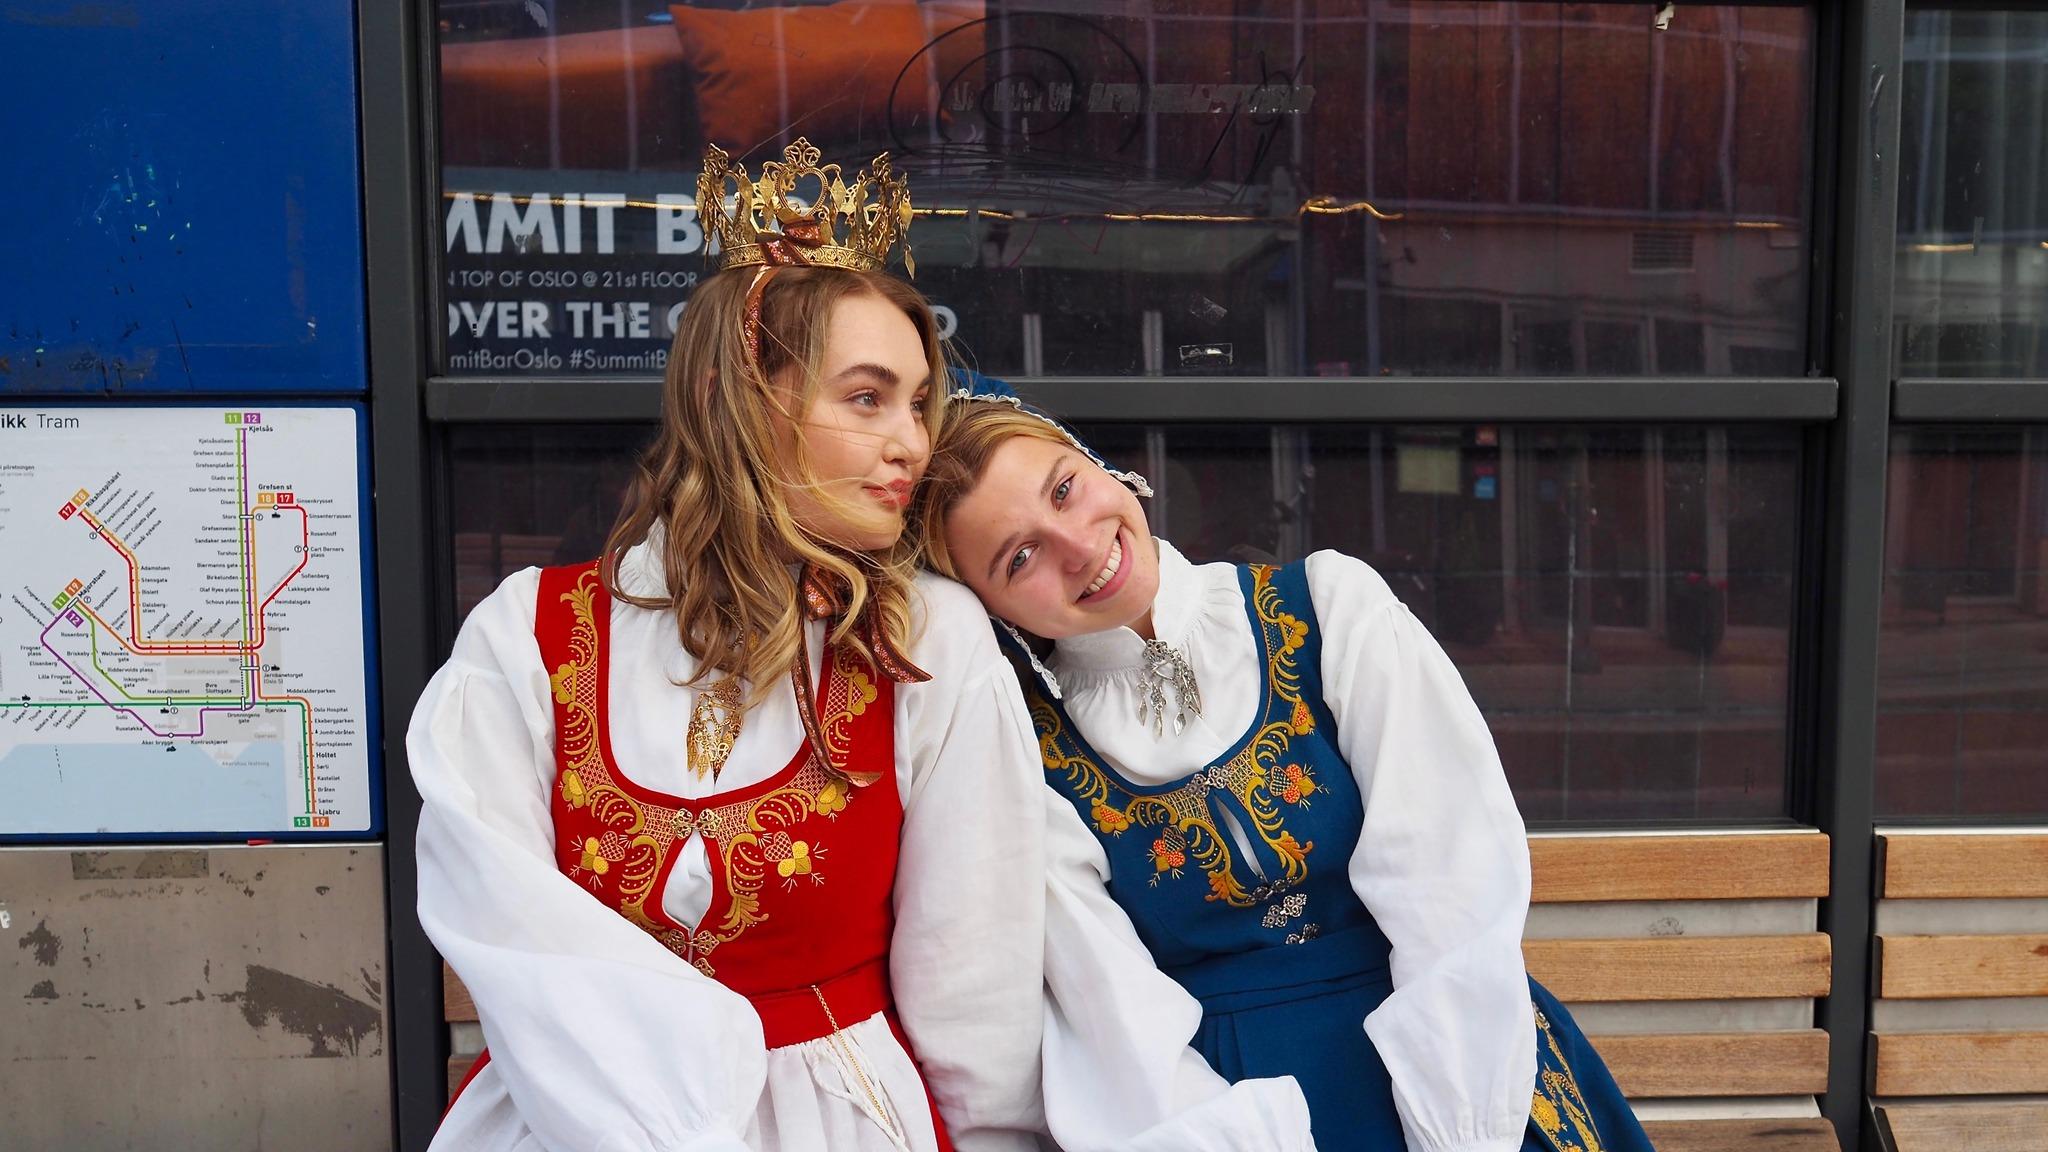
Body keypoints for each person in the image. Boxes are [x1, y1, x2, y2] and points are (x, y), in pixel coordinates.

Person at [411, 141, 1313, 1152]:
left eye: (917, 404)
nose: (911, 445)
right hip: (583, 1125)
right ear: (745, 401)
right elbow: (509, 931)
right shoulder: (525, 638)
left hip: (841, 1122)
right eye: (866, 398)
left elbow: (970, 988)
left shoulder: (923, 638)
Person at [911, 382, 1656, 1152]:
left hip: (1465, 1065)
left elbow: (1451, 883)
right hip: (1242, 1107)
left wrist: (1465, 1131)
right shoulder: (1031, 763)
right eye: (1020, 557)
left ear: (1098, 465)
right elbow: (1118, 1019)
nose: (1077, 546)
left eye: (1064, 489)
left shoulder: (1330, 609)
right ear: (992, 611)